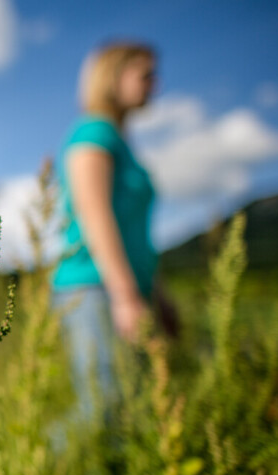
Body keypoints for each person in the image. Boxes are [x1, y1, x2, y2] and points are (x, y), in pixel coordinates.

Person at [51, 42, 177, 422]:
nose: (154, 83)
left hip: (122, 288)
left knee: (130, 407)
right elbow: (95, 215)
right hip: (93, 288)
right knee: (102, 408)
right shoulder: (94, 133)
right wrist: (125, 296)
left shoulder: (119, 142)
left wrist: (157, 294)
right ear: (112, 77)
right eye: (145, 74)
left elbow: (132, 233)